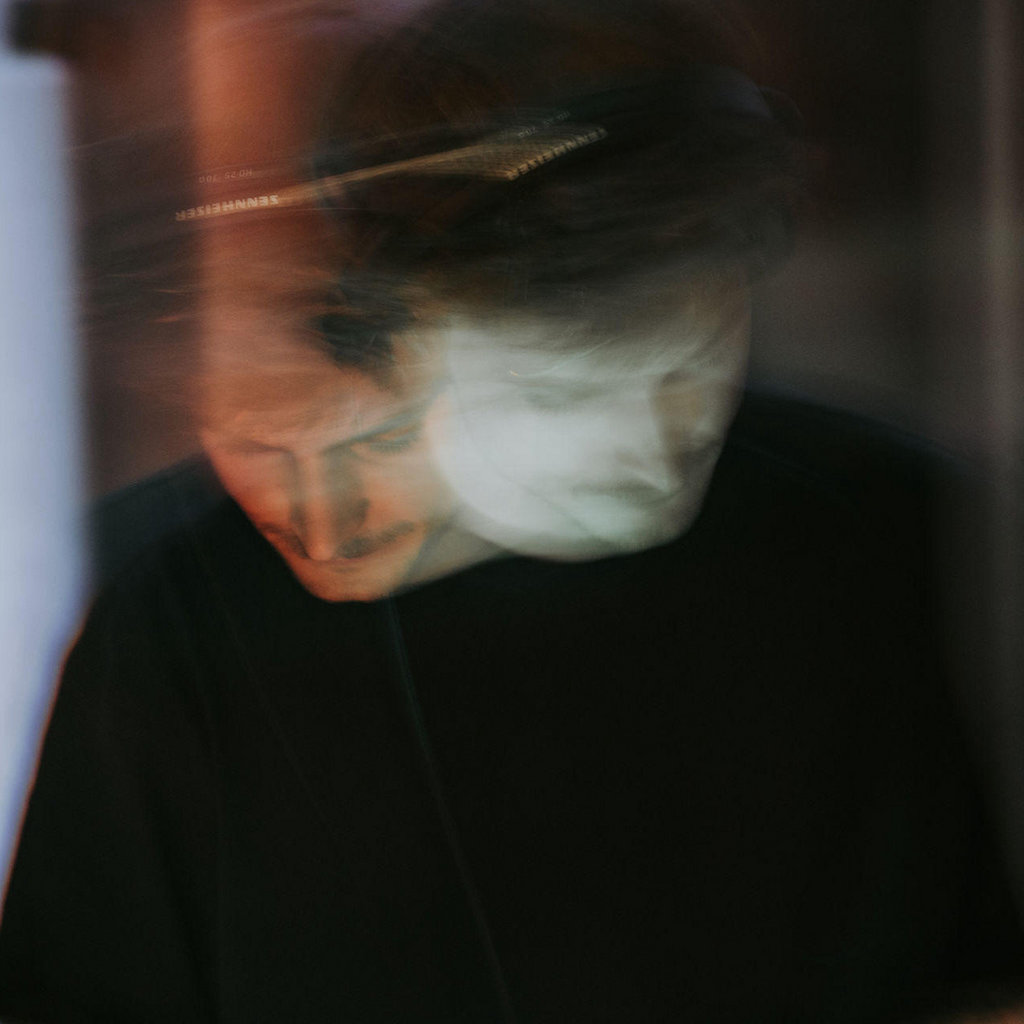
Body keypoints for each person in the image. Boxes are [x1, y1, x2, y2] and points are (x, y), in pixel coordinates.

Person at [1, 0, 1022, 1021]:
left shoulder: (901, 532)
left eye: (691, 364)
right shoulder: (188, 637)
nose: (649, 448)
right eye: (560, 392)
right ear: (401, 337)